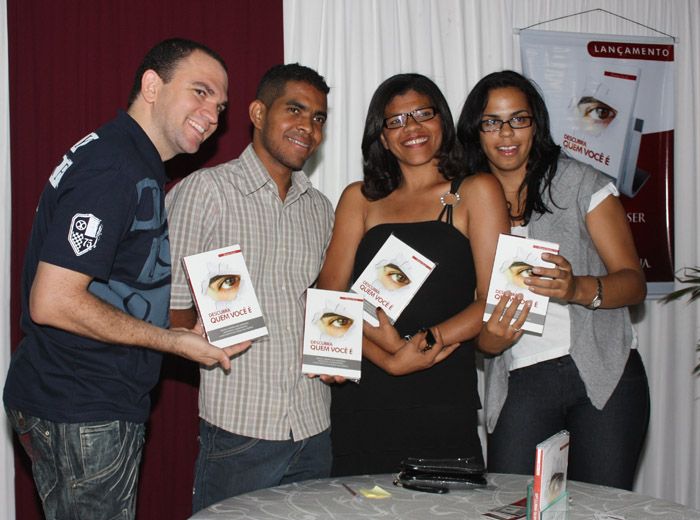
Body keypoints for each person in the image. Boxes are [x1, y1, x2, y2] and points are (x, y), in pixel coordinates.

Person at [3, 38, 247, 520]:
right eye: (200, 92)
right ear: (152, 86)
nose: (212, 115)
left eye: (220, 106)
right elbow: (52, 301)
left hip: (78, 401)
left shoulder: (127, 158)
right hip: (82, 404)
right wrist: (172, 343)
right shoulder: (116, 165)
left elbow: (110, 286)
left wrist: (177, 330)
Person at [456, 70, 649, 490]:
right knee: (514, 503)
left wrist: (577, 288)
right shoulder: (462, 201)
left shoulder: (582, 182)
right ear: (475, 131)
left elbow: (634, 283)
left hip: (602, 373)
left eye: (518, 119)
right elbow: (476, 319)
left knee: (600, 508)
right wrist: (491, 341)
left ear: (536, 124)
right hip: (520, 380)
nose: (506, 133)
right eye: (492, 122)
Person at [317, 73, 510, 476]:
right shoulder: (359, 198)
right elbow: (329, 298)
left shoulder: (477, 190)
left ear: (443, 121)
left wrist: (423, 343)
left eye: (423, 114)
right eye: (397, 120)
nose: (412, 127)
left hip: (442, 391)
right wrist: (390, 360)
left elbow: (493, 299)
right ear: (382, 137)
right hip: (363, 396)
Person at [166, 63, 334, 511]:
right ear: (258, 113)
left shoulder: (320, 208)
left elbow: (316, 304)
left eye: (318, 117)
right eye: (294, 110)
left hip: (313, 424)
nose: (308, 127)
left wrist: (335, 349)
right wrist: (196, 337)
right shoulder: (206, 191)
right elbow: (169, 307)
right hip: (240, 426)